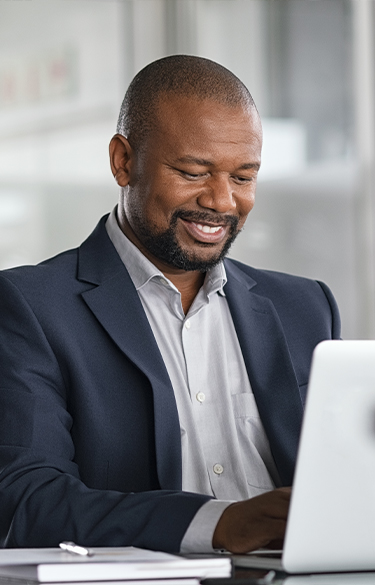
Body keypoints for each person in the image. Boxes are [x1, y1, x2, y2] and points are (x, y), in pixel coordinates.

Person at [0, 55, 340, 553]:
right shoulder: (30, 306)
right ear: (123, 162)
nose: (223, 201)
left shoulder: (305, 306)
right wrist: (217, 524)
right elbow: (25, 500)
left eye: (243, 178)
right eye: (193, 171)